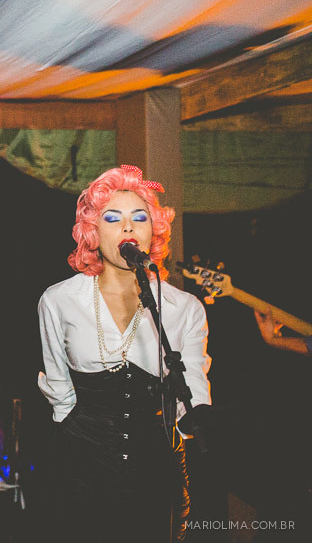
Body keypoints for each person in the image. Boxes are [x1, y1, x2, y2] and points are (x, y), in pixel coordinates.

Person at [37, 165, 212, 542]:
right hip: (79, 473)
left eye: (139, 218)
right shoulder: (59, 300)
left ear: (154, 231)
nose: (128, 228)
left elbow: (193, 390)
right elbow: (60, 390)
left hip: (156, 477)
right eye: (113, 218)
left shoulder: (184, 308)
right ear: (93, 233)